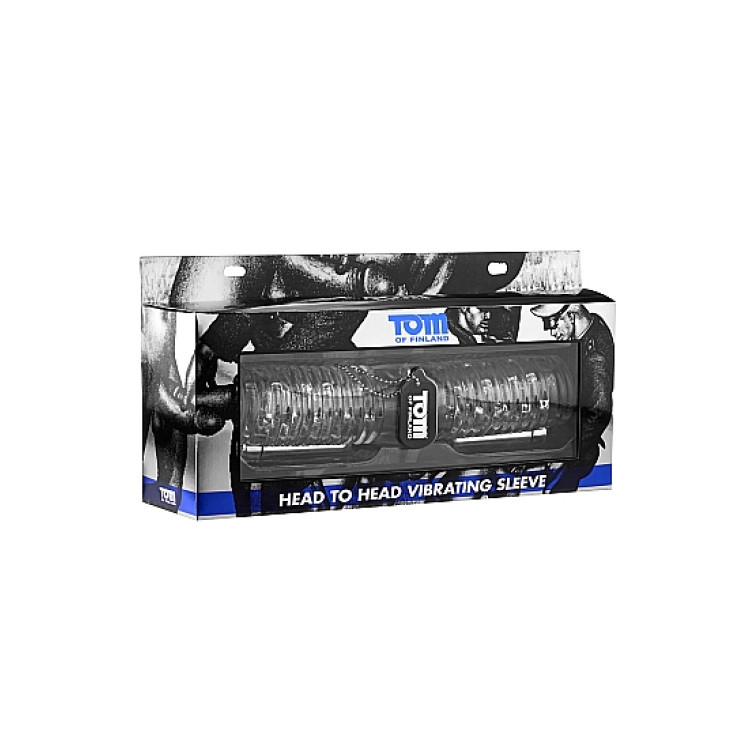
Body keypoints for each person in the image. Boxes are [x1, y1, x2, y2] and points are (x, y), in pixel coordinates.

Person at [530, 303, 615, 492]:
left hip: (575, 455)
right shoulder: (593, 326)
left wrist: (568, 453)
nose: (552, 332)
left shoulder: (594, 357)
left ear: (572, 316)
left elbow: (598, 412)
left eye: (553, 324)